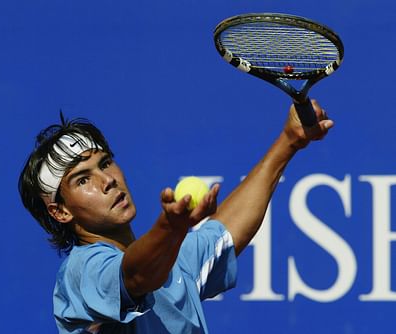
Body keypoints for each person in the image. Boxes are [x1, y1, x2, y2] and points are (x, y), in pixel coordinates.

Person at [18, 101, 333, 333]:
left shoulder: (171, 262)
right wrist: (170, 227)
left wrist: (289, 141)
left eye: (105, 163)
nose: (107, 180)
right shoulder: (81, 272)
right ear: (60, 211)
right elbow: (137, 277)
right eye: (83, 180)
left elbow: (226, 230)